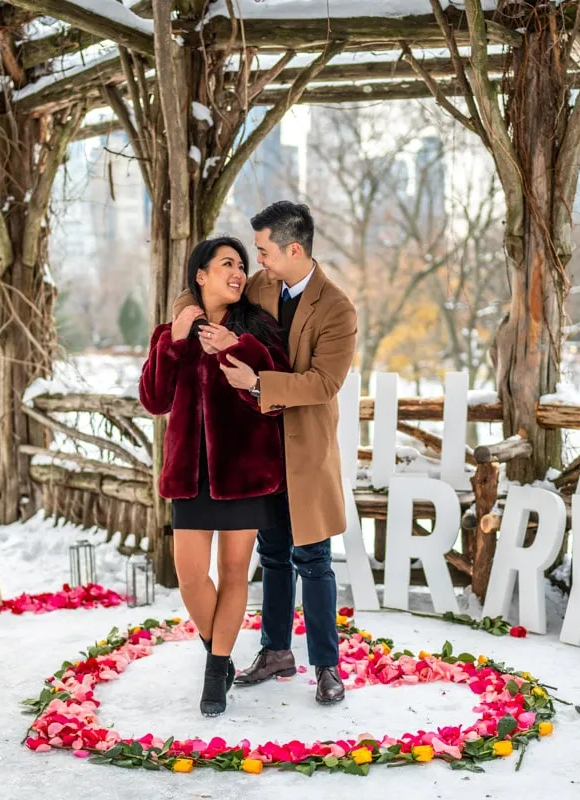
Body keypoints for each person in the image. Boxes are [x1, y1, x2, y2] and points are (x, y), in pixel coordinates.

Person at [172, 201, 357, 706]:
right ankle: (276, 650)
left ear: (293, 249)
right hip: (259, 453)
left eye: (263, 251)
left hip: (305, 450)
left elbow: (324, 382)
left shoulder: (337, 309)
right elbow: (201, 288)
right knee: (273, 557)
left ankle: (326, 666)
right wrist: (184, 322)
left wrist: (257, 382)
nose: (256, 263)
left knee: (313, 559)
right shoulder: (261, 286)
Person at [138, 236, 290, 717]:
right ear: (200, 275)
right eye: (227, 263)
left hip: (245, 472)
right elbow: (154, 400)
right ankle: (219, 655)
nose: (239, 272)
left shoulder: (259, 328)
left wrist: (238, 346)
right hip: (190, 474)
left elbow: (277, 391)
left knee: (232, 573)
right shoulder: (172, 331)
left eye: (242, 265)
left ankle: (215, 672)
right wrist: (175, 343)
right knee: (189, 575)